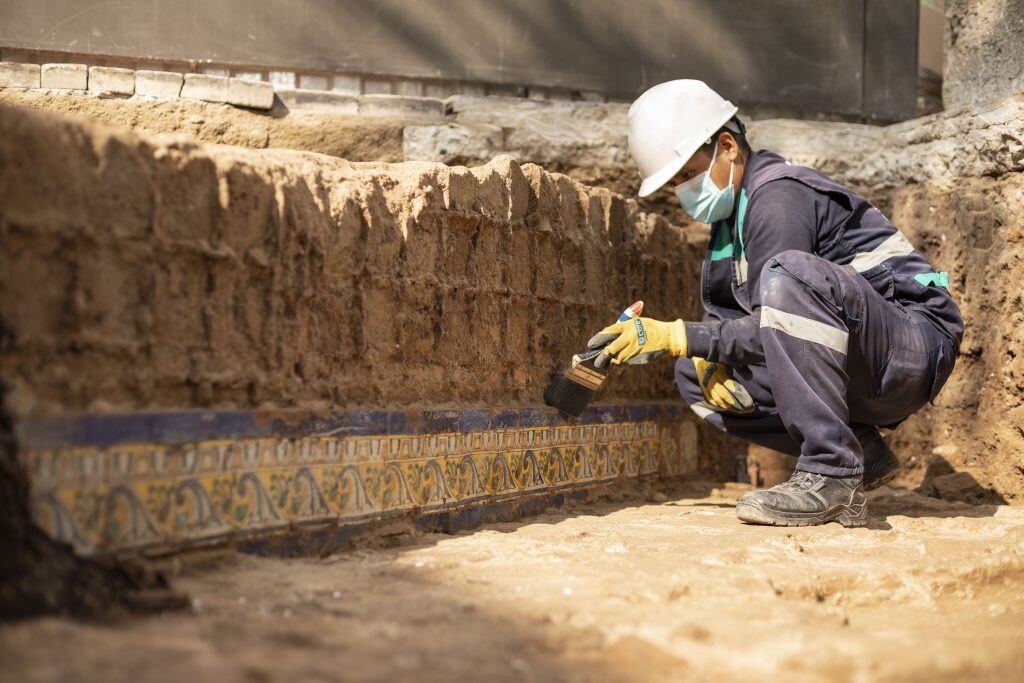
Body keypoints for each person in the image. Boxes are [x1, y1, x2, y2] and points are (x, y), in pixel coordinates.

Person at [587, 80, 963, 527]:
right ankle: (860, 450)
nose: (684, 191)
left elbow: (778, 311)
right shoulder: (732, 222)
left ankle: (832, 474)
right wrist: (683, 348)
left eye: (689, 173)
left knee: (787, 275)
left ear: (727, 146)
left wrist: (677, 334)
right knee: (692, 373)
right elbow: (733, 325)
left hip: (912, 345)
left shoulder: (777, 197)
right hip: (864, 352)